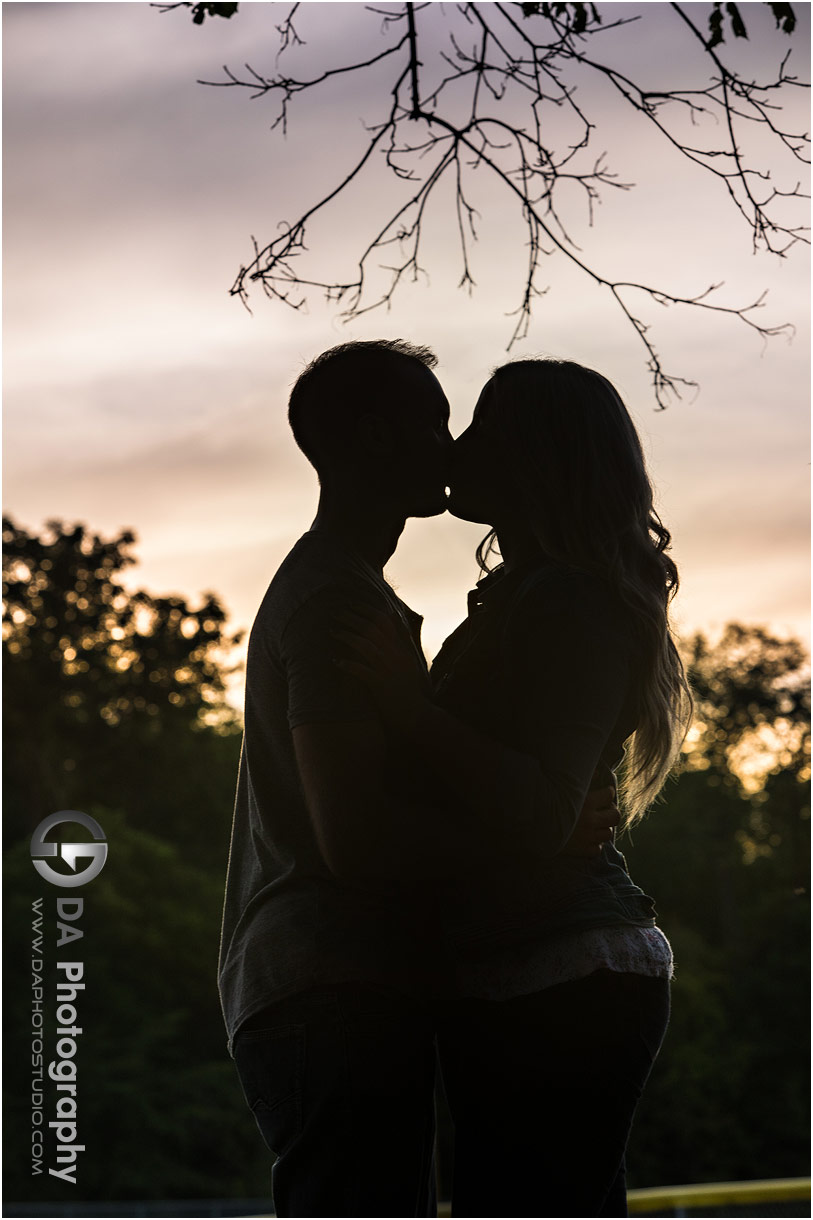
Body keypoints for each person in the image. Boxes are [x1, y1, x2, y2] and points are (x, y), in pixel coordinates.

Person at [217, 340, 618, 1218]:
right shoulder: (336, 605)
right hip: (327, 981)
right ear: (371, 438)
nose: (453, 444)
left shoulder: (351, 592)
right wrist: (537, 842)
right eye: (434, 421)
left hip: (342, 983)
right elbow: (354, 839)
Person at [336, 357, 693, 1217]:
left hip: (560, 975)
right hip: (523, 974)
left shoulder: (572, 604)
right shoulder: (533, 596)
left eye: (484, 426)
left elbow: (541, 808)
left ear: (540, 455)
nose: (460, 445)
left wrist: (403, 705)